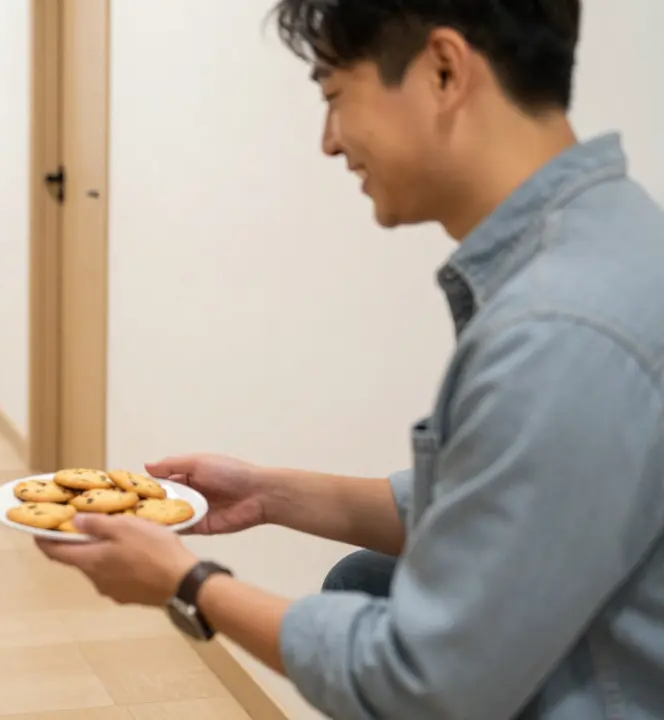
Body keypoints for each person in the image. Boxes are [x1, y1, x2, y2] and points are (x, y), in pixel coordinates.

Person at [38, 1, 664, 718]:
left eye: (335, 98)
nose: (329, 143)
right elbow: (490, 498)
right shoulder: (618, 239)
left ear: (443, 70)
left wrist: (190, 582)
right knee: (362, 577)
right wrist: (267, 494)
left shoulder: (558, 332)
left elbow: (421, 682)